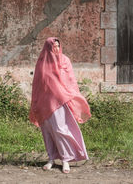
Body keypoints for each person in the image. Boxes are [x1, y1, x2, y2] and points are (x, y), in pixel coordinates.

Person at [29, 37, 91, 174]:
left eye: (57, 46)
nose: (56, 49)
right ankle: (51, 158)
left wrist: (70, 95)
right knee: (47, 131)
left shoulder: (64, 60)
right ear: (48, 47)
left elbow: (70, 80)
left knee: (60, 129)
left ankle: (66, 160)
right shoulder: (41, 62)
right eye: (53, 46)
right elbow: (37, 84)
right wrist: (35, 103)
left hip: (60, 101)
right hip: (45, 103)